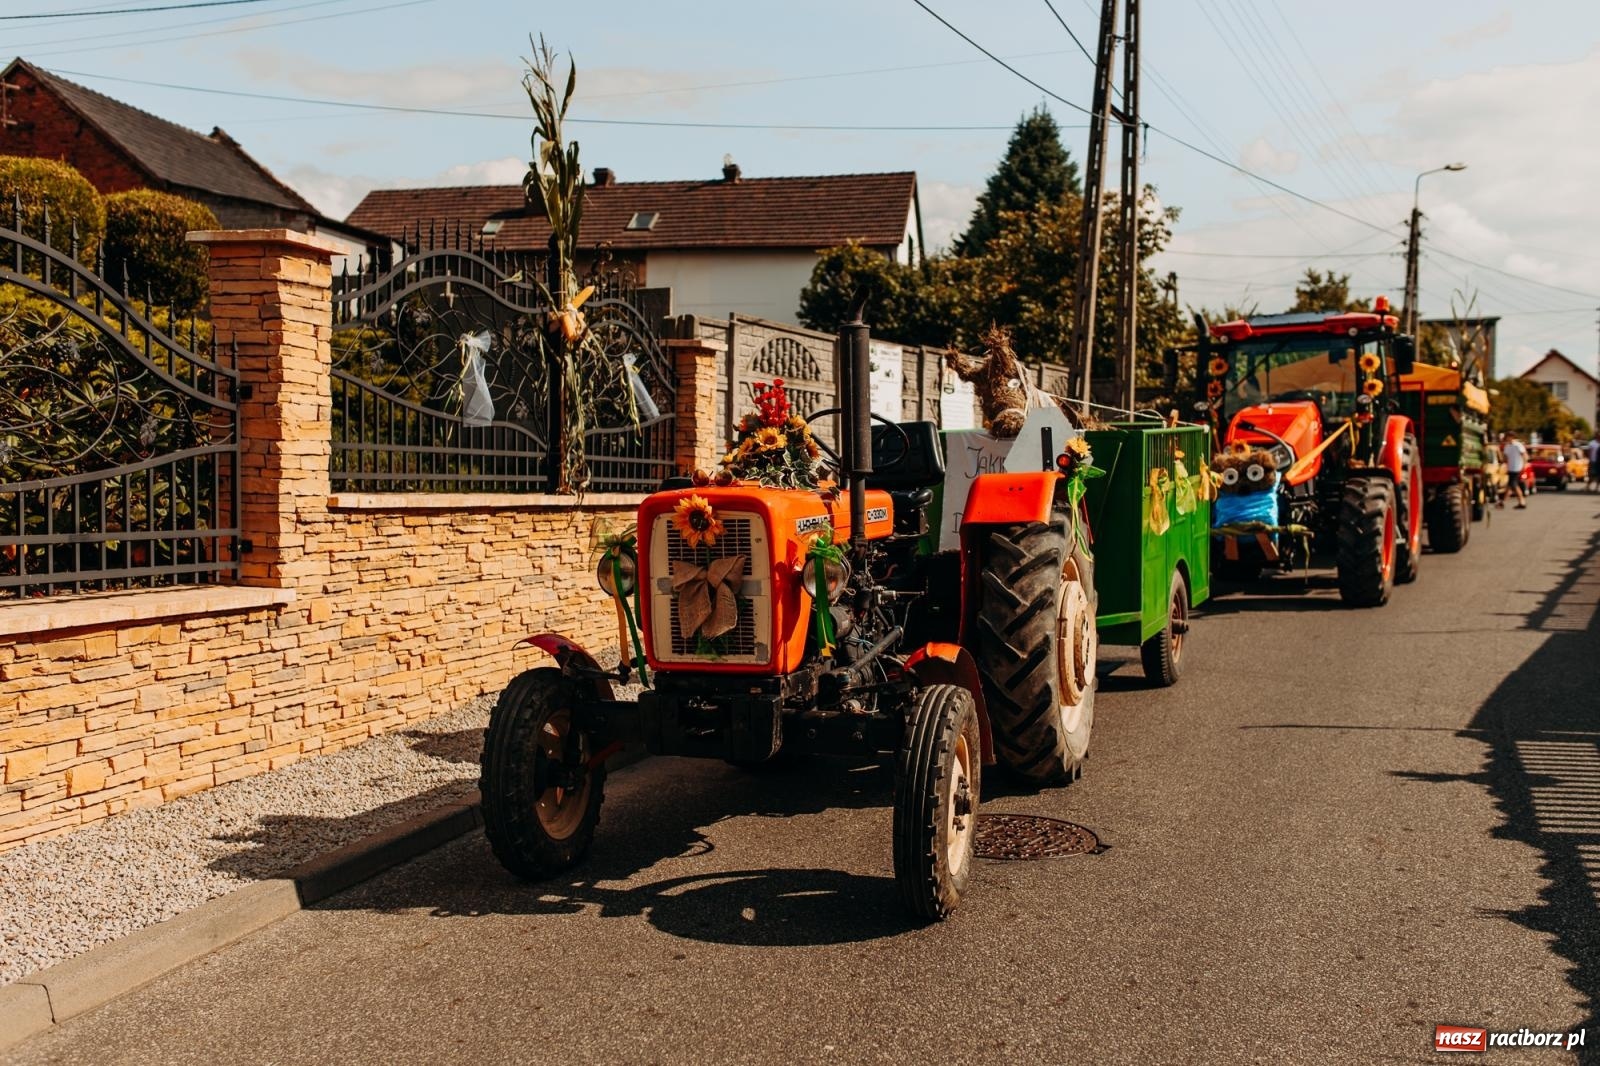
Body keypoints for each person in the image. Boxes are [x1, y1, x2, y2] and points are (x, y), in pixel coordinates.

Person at [1500, 432, 1528, 509]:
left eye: (1508, 437)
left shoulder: (1518, 445)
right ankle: (1502, 502)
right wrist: (1504, 464)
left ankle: (1522, 501)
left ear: (1512, 437)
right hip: (1511, 468)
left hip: (1517, 467)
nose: (1507, 439)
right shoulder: (1507, 446)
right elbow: (1505, 458)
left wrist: (1524, 465)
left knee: (1514, 485)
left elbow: (1524, 455)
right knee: (1510, 486)